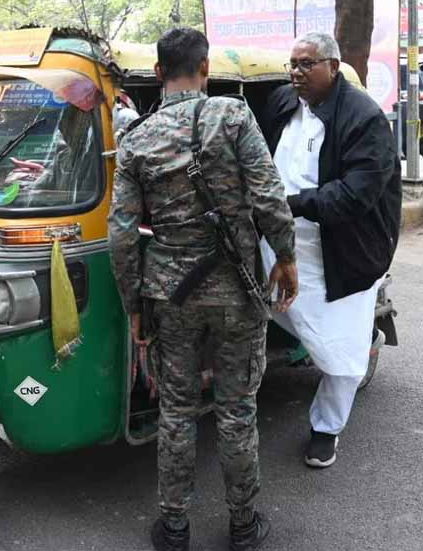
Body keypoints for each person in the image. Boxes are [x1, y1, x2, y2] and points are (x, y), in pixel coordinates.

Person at [109, 27, 299, 551]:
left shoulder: (136, 141)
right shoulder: (233, 116)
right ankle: (243, 525)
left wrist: (133, 306)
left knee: (176, 410)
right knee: (237, 410)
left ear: (156, 74)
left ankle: (173, 527)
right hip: (238, 292)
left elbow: (122, 234)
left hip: (172, 298)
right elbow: (268, 197)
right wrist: (284, 257)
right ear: (206, 68)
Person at [258, 31, 402, 469]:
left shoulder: (365, 118)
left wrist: (290, 205)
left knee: (340, 354)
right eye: (293, 64)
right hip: (279, 245)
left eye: (307, 64)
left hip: (341, 253)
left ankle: (326, 428)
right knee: (260, 307)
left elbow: (355, 195)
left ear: (333, 67)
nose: (296, 73)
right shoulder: (283, 103)